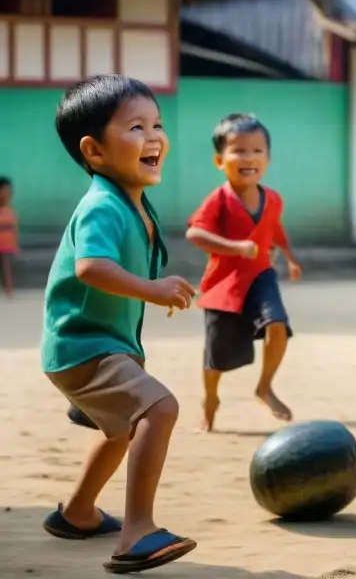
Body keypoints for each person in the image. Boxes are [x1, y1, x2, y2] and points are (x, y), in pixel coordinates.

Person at [41, 75, 197, 573]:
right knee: (161, 408)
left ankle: (78, 513)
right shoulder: (102, 205)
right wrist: (152, 288)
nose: (154, 137)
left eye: (157, 124)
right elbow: (90, 267)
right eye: (135, 127)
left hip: (102, 344)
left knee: (119, 431)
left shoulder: (133, 202)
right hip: (82, 347)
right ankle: (137, 533)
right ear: (95, 151)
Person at [185, 113, 301, 433]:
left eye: (256, 150)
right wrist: (235, 247)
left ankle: (265, 387)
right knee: (216, 354)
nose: (248, 158)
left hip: (261, 274)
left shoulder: (273, 199)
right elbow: (195, 233)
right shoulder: (219, 199)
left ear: (268, 158)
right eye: (238, 151)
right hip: (224, 284)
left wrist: (289, 257)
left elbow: (274, 229)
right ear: (219, 160)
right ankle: (210, 400)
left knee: (277, 324)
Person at [0, 176, 18, 297]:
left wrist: (15, 243)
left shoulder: (10, 210)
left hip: (7, 243)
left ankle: (9, 288)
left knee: (7, 267)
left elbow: (15, 228)